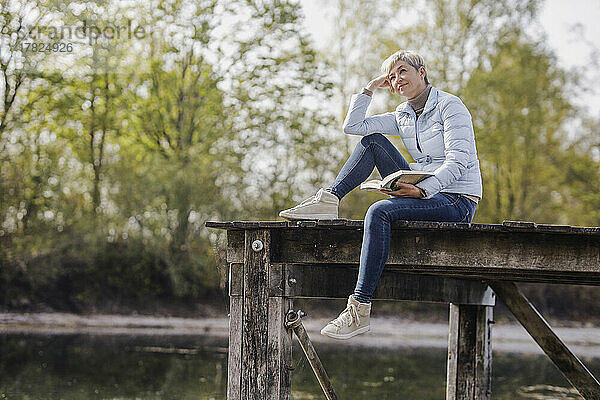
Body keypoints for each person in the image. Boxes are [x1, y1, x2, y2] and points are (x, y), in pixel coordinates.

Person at [279, 50, 483, 340]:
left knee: (378, 211)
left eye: (402, 71)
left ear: (421, 72)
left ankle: (358, 311)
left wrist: (423, 189)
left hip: (456, 200)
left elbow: (459, 159)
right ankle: (329, 199)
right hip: (422, 188)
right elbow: (353, 127)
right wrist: (369, 88)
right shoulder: (403, 114)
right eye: (391, 76)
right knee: (372, 141)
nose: (397, 79)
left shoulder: (450, 106)